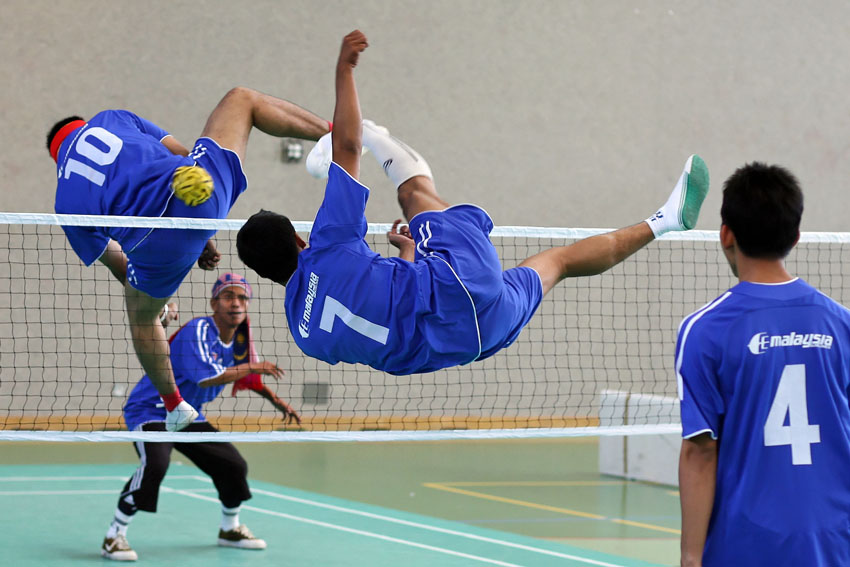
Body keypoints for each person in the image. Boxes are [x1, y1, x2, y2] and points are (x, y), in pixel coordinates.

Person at [236, 30, 710, 376]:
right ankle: (385, 139)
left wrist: (407, 257)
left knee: (558, 262)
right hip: (454, 286)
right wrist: (344, 71)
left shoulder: (304, 334)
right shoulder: (327, 243)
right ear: (299, 239)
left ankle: (663, 221)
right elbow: (345, 148)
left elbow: (376, 313)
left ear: (262, 275)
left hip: (470, 340)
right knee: (414, 196)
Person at [46, 89, 329, 431]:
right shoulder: (111, 118)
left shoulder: (66, 201)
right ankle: (333, 133)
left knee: (141, 319)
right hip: (200, 192)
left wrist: (157, 301)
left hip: (156, 247)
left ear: (57, 158)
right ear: (81, 125)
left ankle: (175, 405)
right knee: (242, 100)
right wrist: (200, 228)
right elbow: (179, 152)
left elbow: (114, 259)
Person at [676, 163, 850, 566]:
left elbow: (700, 452)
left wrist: (690, 558)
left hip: (745, 545)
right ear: (796, 236)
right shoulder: (841, 324)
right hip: (833, 543)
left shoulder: (705, 330)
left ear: (726, 234)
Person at [101, 272, 300, 561]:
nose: (236, 303)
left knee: (232, 465)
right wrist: (254, 368)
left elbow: (248, 376)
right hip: (152, 409)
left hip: (189, 416)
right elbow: (206, 378)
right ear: (214, 302)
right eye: (228, 296)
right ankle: (114, 535)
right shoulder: (198, 330)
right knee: (155, 464)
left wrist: (277, 401)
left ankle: (229, 529)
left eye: (242, 297)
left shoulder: (241, 336)